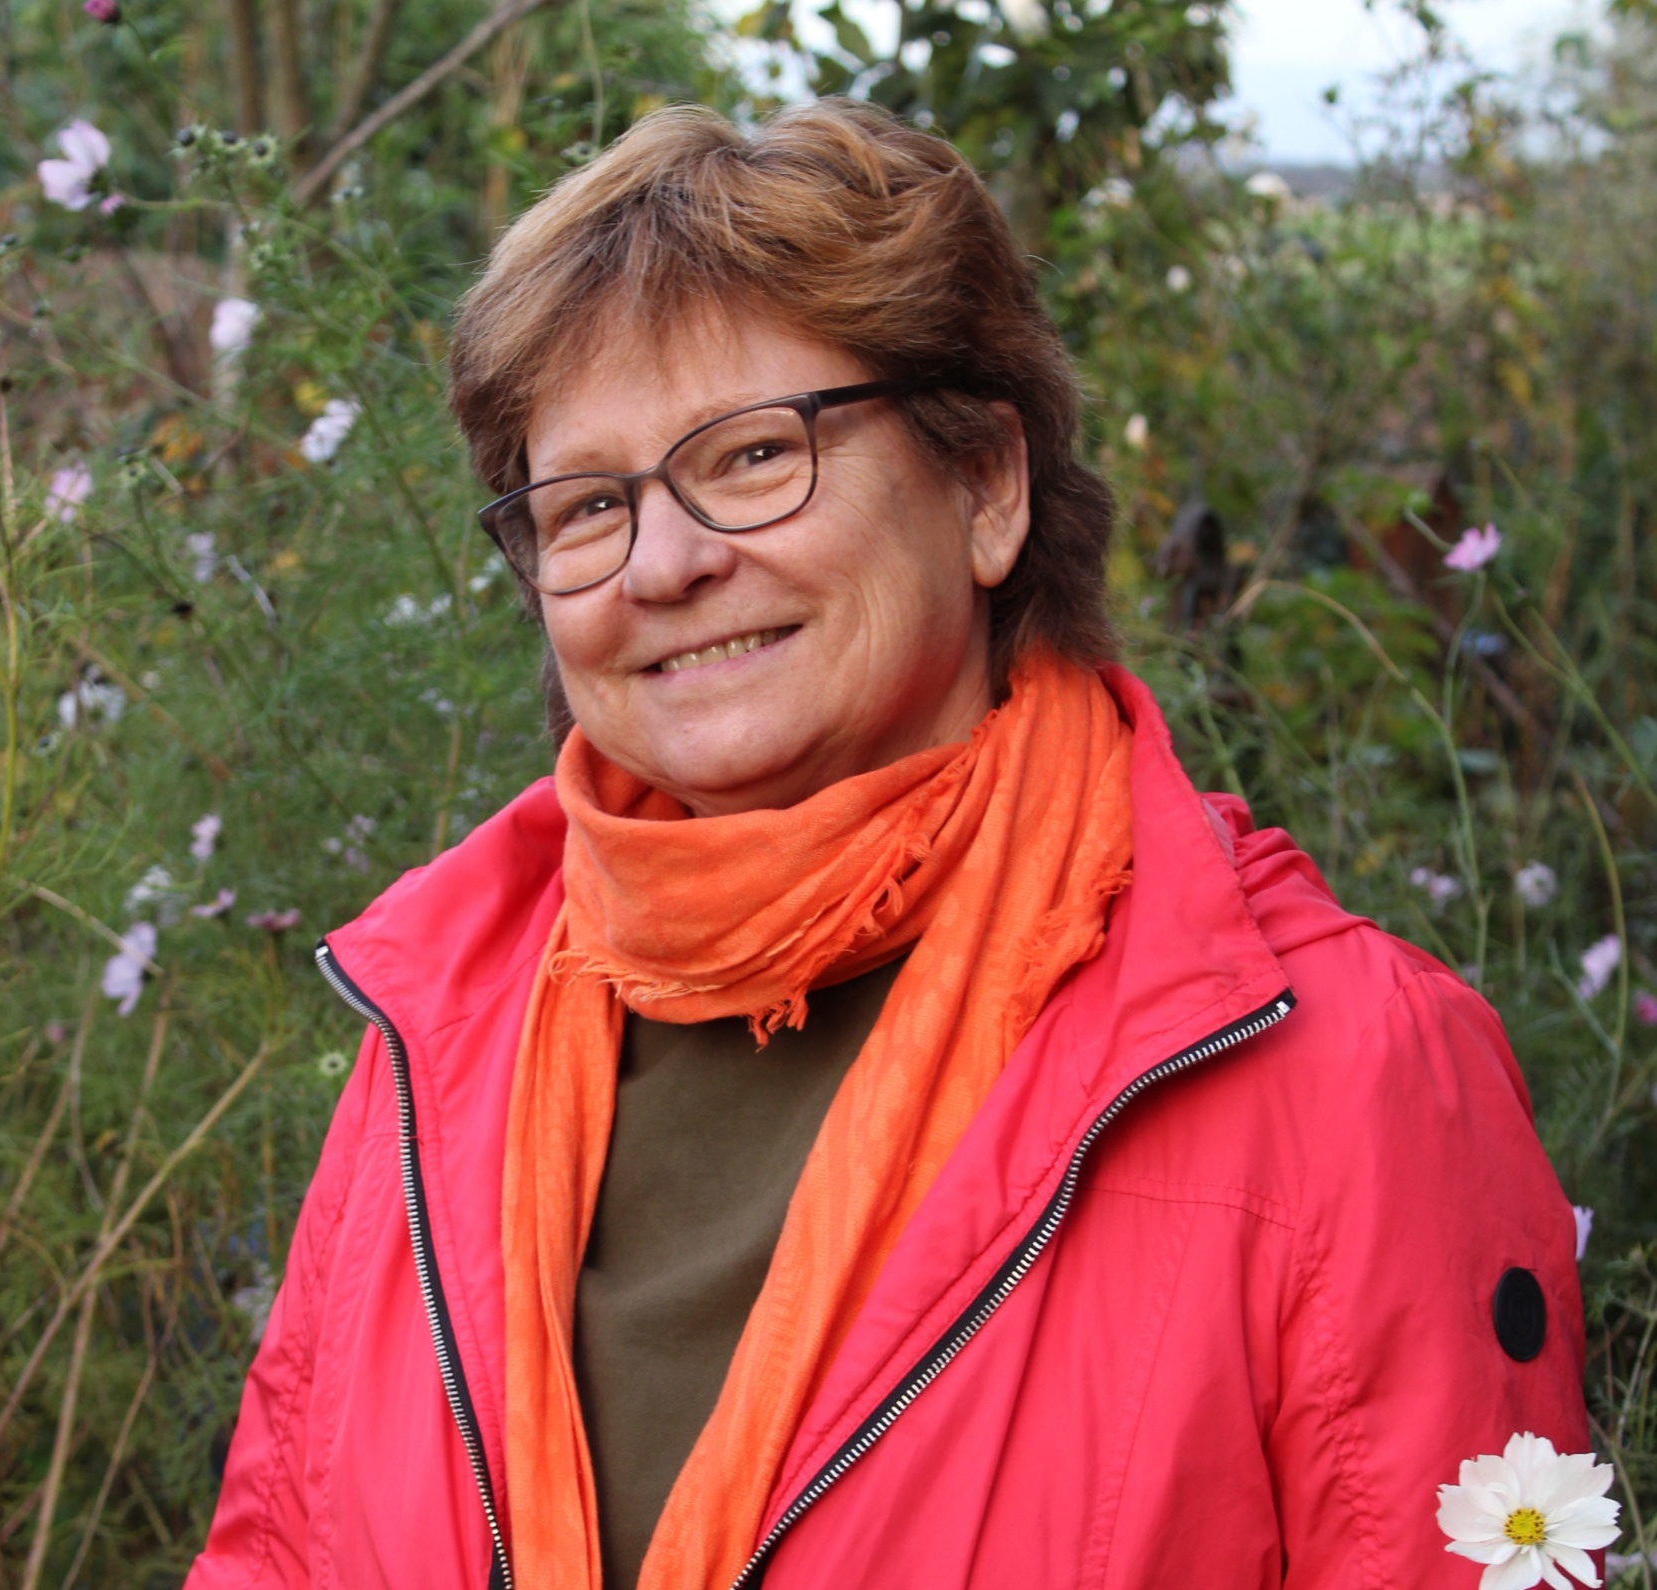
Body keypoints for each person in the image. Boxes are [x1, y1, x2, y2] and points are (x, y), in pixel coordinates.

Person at [185, 100, 1590, 1590]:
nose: (665, 563)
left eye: (750, 455)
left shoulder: (1343, 1073)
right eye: (589, 504)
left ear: (986, 486)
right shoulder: (436, 1035)